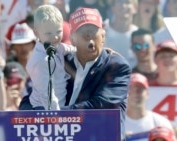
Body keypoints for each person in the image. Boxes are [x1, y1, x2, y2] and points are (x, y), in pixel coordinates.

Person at [20, 7, 131, 140]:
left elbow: (102, 105)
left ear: (103, 36)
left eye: (93, 33)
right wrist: (40, 115)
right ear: (72, 39)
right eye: (84, 34)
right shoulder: (61, 60)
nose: (90, 40)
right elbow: (31, 99)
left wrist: (57, 115)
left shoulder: (116, 65)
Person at [25, 4, 75, 110]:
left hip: (59, 104)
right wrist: (57, 116)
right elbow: (47, 95)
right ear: (36, 33)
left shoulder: (56, 46)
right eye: (48, 33)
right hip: (45, 108)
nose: (55, 37)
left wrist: (102, 52)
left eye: (59, 31)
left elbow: (70, 49)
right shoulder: (41, 61)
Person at [125, 73, 173, 141]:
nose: (135, 94)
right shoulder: (116, 123)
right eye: (131, 90)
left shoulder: (161, 123)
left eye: (140, 90)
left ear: (147, 93)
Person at [104, 0, 138, 68]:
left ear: (135, 8)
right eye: (119, 2)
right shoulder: (102, 30)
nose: (123, 6)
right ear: (112, 8)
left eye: (128, 2)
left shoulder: (139, 35)